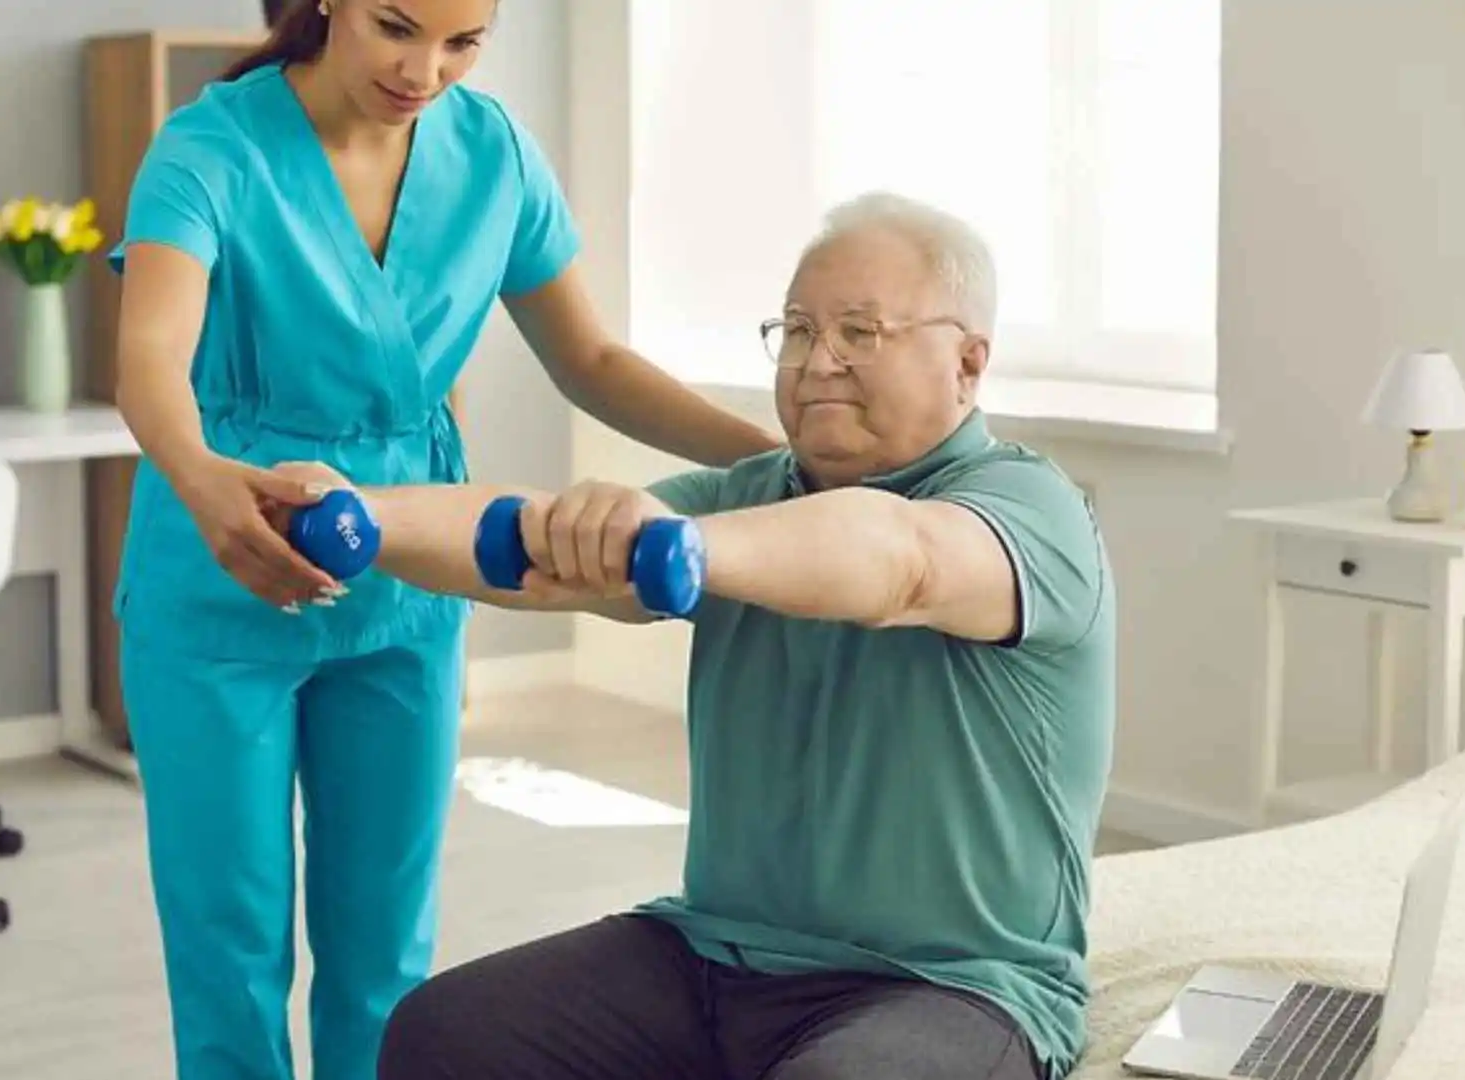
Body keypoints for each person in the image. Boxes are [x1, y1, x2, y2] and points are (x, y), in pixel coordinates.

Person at [279, 191, 1116, 1080]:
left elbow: (898, 559)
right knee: (443, 1031)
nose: (817, 360)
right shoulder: (750, 493)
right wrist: (363, 517)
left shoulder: (1029, 509)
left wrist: (681, 547)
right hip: (710, 954)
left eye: (860, 332)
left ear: (969, 361)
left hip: (951, 985)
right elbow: (525, 547)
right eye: (796, 329)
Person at [106, 2, 781, 1079]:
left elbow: (592, 360)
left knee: (386, 945)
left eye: (463, 44)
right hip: (222, 579)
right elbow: (149, 358)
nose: (425, 70)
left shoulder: (492, 152)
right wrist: (200, 481)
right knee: (228, 949)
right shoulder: (212, 147)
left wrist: (779, 469)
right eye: (395, 27)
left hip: (411, 582)